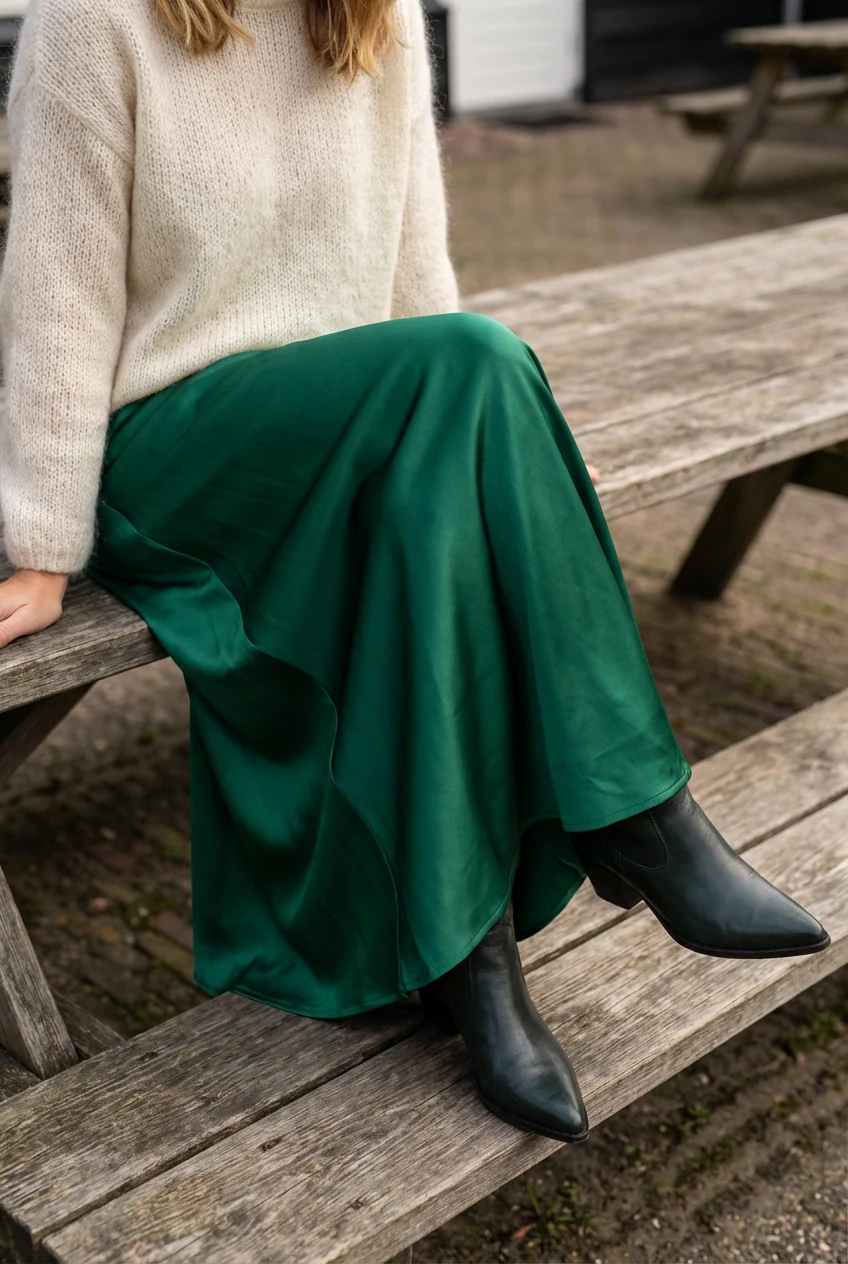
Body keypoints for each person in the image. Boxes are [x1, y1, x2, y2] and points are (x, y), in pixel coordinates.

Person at [0, 0, 829, 1145]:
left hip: (353, 436)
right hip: (174, 450)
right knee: (477, 357)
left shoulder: (373, 16)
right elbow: (55, 288)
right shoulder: (95, 20)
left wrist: (445, 482)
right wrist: (43, 546)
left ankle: (467, 956)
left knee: (459, 411)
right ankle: (640, 818)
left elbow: (413, 274)